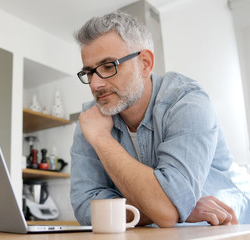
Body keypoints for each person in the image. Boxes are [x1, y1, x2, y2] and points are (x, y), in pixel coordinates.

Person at [70, 11, 250, 227]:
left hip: (231, 224)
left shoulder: (187, 101)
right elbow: (84, 206)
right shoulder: (92, 118)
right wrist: (168, 208)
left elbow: (166, 210)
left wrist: (102, 139)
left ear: (145, 63)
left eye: (109, 67)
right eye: (89, 72)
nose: (95, 85)